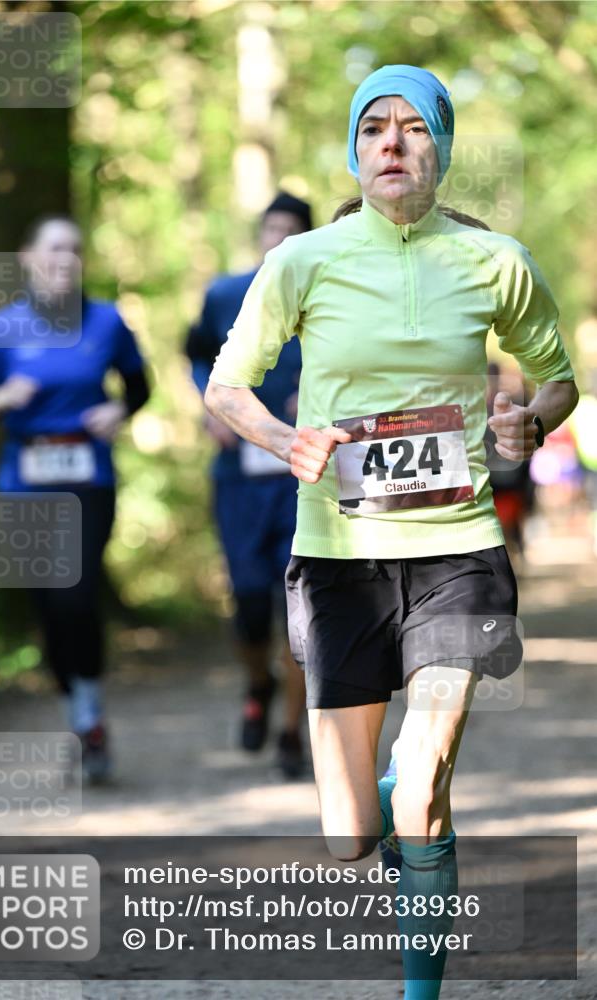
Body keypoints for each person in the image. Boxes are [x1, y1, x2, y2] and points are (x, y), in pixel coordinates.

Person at [205, 65, 578, 998]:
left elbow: (556, 375)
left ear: (439, 149)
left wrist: (528, 419)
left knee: (421, 782)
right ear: (353, 149)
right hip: (339, 558)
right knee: (352, 837)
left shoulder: (495, 262)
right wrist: (289, 441)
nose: (393, 142)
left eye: (414, 128)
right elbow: (225, 385)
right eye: (374, 127)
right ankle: (388, 822)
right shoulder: (304, 261)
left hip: (455, 551)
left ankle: (420, 989)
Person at [0, 215, 150, 783]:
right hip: (23, 481)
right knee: (48, 610)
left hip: (87, 478)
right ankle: (78, 707)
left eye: (74, 249)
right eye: (54, 249)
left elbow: (140, 385)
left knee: (76, 595)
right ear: (28, 258)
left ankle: (90, 717)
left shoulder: (107, 321)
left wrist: (119, 409)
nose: (65, 259)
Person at [186, 192, 313, 779]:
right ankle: (256, 682)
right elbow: (196, 358)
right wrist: (212, 409)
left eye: (290, 230)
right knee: (248, 602)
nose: (277, 238)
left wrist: (314, 391)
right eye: (270, 228)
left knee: (300, 607)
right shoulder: (223, 294)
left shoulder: (322, 291)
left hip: (302, 476)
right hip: (239, 478)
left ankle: (292, 732)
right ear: (258, 235)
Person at [484, 362, 535, 566]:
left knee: (511, 518)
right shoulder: (482, 405)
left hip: (508, 476)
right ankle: (510, 553)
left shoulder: (507, 403)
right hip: (494, 476)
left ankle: (515, 551)